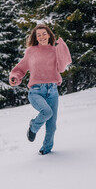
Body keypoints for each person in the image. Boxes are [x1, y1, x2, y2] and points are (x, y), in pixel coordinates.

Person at [9, 24, 72, 155]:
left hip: (53, 91)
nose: (42, 36)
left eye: (44, 34)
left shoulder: (55, 50)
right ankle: (33, 127)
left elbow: (61, 68)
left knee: (52, 125)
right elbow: (21, 68)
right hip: (36, 91)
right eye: (39, 35)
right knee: (46, 112)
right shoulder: (31, 51)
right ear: (35, 38)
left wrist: (61, 46)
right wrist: (15, 77)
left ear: (49, 35)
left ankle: (46, 151)